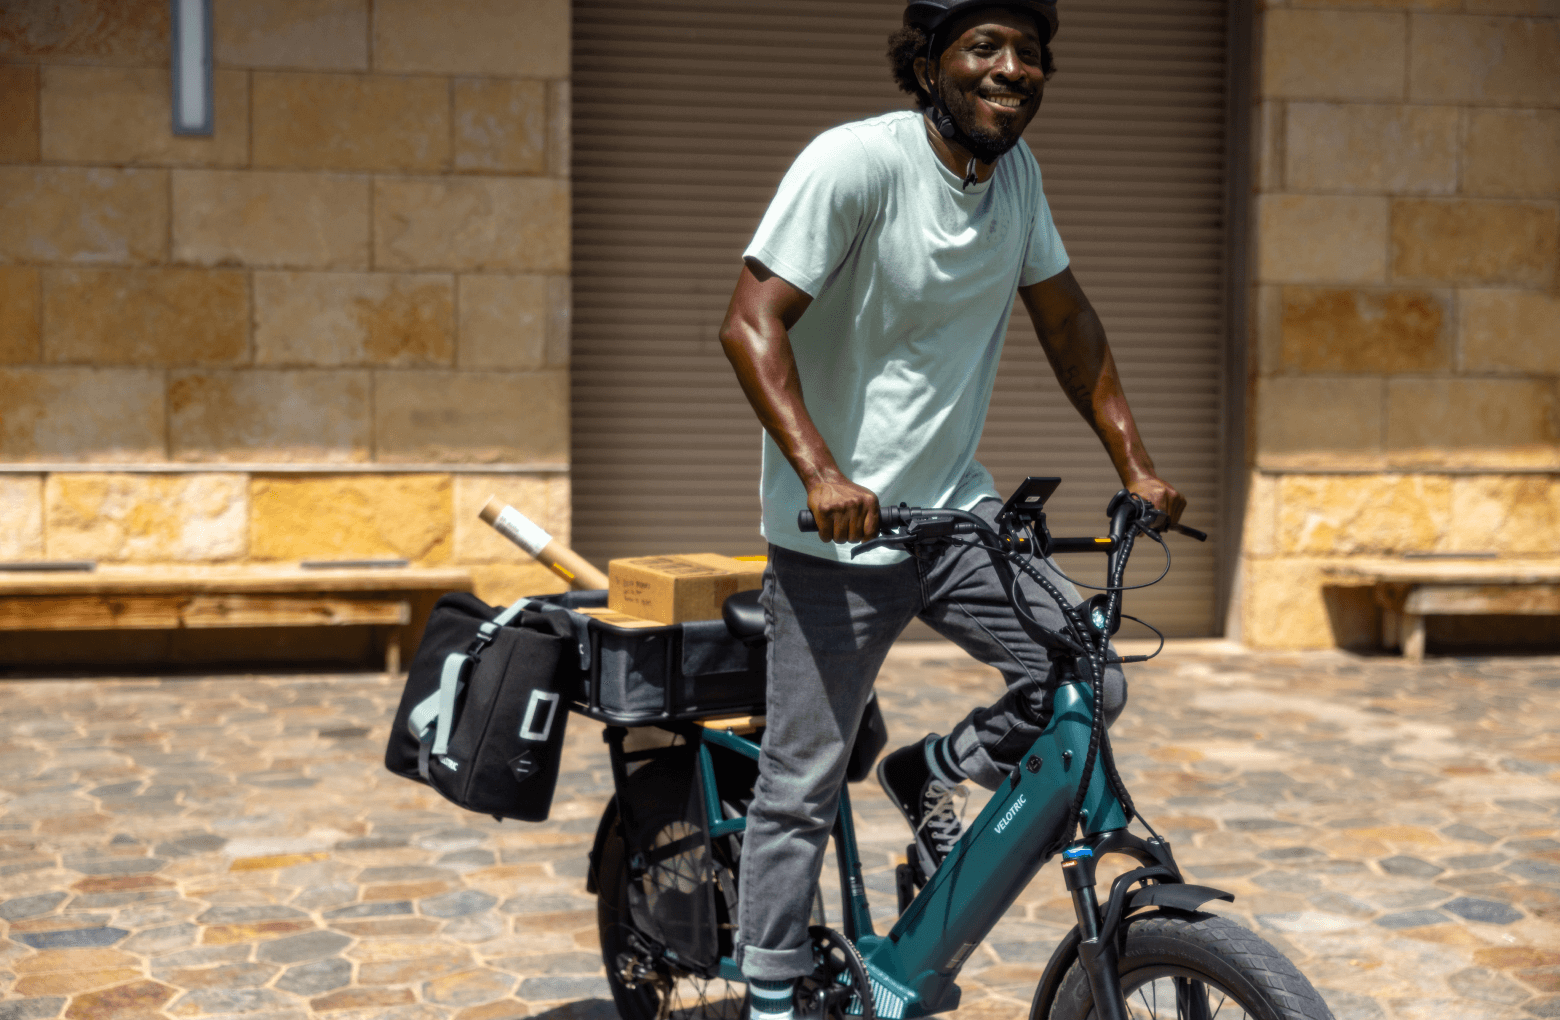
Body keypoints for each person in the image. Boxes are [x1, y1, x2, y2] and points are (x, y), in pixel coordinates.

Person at [717, 2, 1185, 1017]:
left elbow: (1067, 320)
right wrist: (819, 473)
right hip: (834, 541)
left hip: (955, 522)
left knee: (1090, 677)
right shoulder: (856, 164)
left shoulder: (1016, 179)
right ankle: (768, 994)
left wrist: (1137, 463)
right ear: (929, 63)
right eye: (985, 46)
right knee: (800, 785)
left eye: (1029, 53)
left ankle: (940, 766)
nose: (1011, 69)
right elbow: (751, 320)